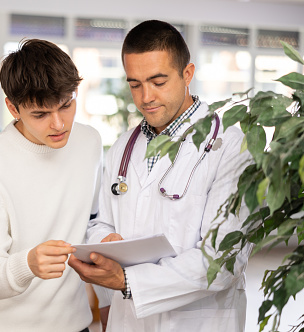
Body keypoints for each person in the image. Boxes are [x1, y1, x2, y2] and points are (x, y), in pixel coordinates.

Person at [68, 20, 252, 332]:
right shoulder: (122, 148)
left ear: (188, 74)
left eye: (158, 81)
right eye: (135, 84)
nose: (145, 97)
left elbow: (223, 259)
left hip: (199, 321)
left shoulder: (232, 147)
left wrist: (127, 279)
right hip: (128, 321)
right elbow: (100, 224)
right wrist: (105, 243)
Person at [0, 39, 103, 331]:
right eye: (40, 114)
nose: (59, 124)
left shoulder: (90, 143)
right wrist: (27, 264)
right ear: (13, 108)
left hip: (75, 324)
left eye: (66, 106)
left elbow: (93, 221)